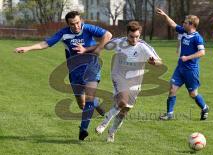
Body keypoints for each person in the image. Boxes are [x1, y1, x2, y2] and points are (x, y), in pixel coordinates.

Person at [15, 11, 112, 140]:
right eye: (72, 24)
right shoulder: (64, 33)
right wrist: (28, 48)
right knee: (82, 104)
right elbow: (46, 43)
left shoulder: (88, 28)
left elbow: (108, 35)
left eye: (78, 22)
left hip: (91, 66)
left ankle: (83, 130)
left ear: (81, 20)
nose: (76, 26)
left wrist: (98, 49)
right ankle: (96, 104)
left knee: (89, 97)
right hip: (75, 71)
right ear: (68, 24)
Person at [94, 21, 163, 142]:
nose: (134, 39)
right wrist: (91, 48)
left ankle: (112, 132)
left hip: (135, 81)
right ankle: (103, 124)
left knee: (124, 111)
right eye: (131, 36)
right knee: (122, 102)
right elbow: (103, 45)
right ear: (127, 34)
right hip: (119, 76)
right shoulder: (119, 42)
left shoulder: (143, 46)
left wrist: (154, 62)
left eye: (137, 36)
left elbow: (159, 62)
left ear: (140, 35)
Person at [156, 8, 209, 120]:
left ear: (191, 24)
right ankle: (169, 114)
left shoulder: (197, 38)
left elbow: (202, 52)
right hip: (180, 69)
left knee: (193, 94)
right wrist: (165, 15)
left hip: (191, 70)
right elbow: (173, 24)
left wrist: (187, 57)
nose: (183, 23)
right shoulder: (184, 31)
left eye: (185, 22)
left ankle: (204, 108)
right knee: (172, 89)